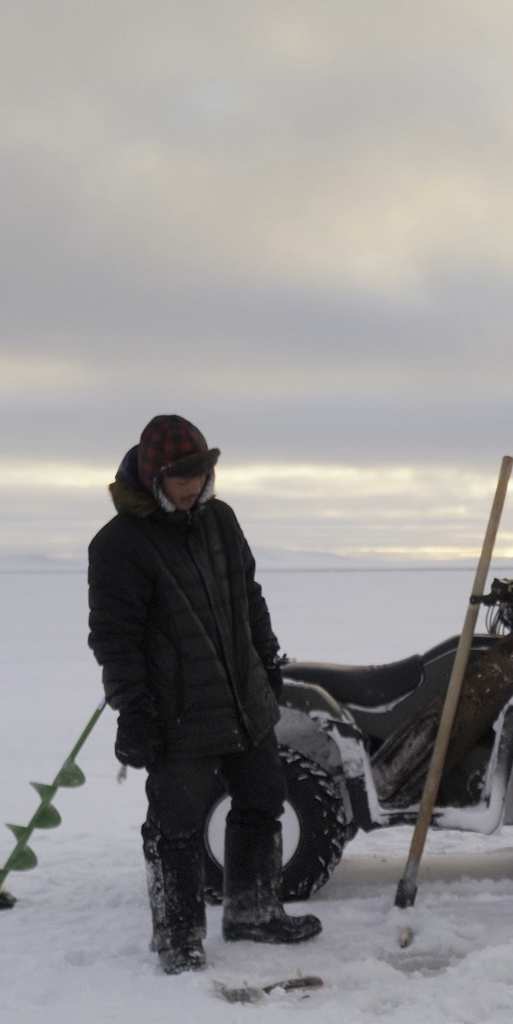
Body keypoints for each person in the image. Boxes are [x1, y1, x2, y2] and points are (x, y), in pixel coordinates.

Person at [87, 415, 321, 973]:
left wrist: (267, 661)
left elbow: (250, 594)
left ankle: (253, 912)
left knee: (264, 799)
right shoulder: (119, 544)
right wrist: (134, 711)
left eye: (201, 474)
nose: (193, 486)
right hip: (179, 713)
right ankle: (177, 937)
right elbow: (114, 638)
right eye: (180, 477)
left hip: (244, 697)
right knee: (176, 825)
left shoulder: (220, 520)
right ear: (153, 476)